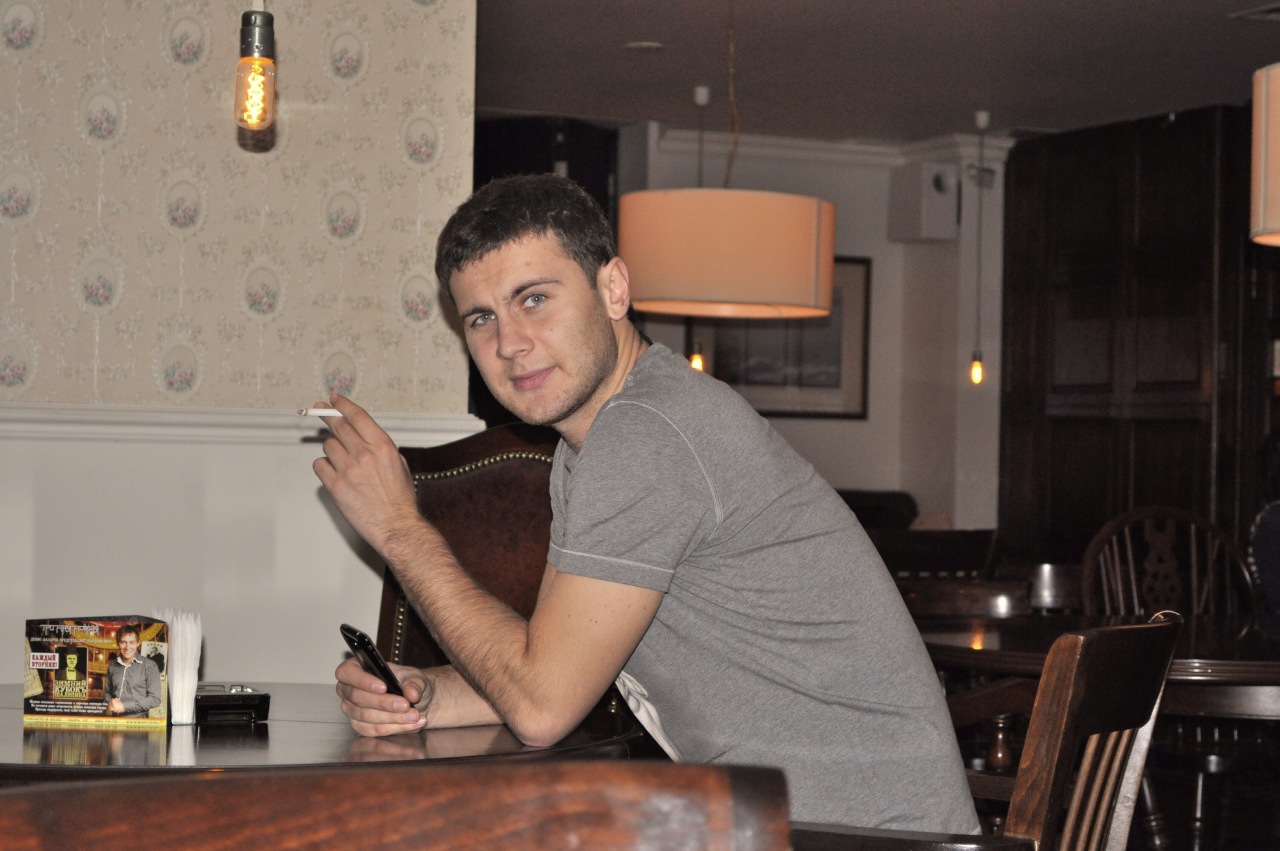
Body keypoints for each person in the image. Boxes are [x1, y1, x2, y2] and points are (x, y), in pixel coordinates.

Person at [316, 174, 979, 832]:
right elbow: (557, 664)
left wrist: (400, 529)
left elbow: (541, 707)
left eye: (534, 299)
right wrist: (427, 697)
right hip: (797, 828)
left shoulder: (647, 434)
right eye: (481, 318)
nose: (509, 343)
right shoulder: (600, 441)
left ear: (613, 289)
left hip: (864, 837)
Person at [104, 624, 162, 717]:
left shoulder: (150, 665)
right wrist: (110, 701)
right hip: (114, 721)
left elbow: (155, 699)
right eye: (123, 642)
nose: (127, 647)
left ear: (138, 643)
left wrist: (124, 706)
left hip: (139, 723)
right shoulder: (112, 665)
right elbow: (107, 693)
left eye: (131, 642)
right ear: (118, 643)